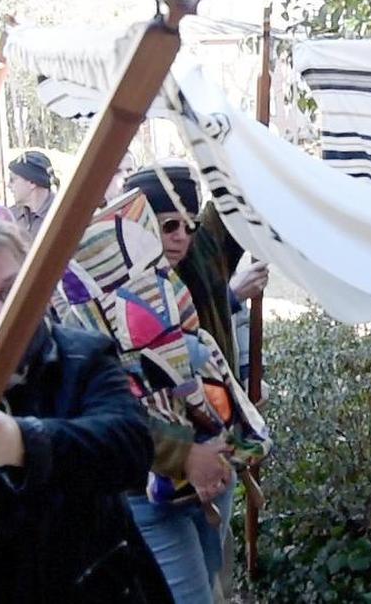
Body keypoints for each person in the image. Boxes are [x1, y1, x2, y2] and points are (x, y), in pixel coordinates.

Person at [0, 215, 170, 602]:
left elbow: (130, 448)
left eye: (14, 289)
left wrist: (22, 444)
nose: (2, 312)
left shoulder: (80, 356)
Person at [120, 161, 268, 604]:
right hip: (152, 482)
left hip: (216, 459)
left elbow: (237, 188)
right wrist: (232, 295)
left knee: (212, 577)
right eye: (167, 226)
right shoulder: (114, 291)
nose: (181, 236)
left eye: (186, 224)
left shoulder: (204, 248)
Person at [8, 150, 57, 238]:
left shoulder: (63, 214)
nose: (9, 185)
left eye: (12, 180)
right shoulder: (9, 217)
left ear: (32, 182)